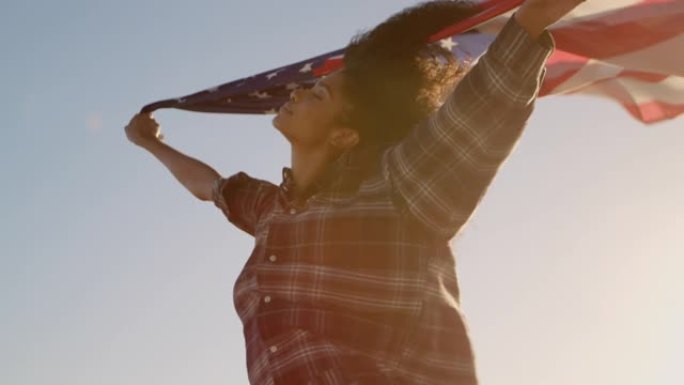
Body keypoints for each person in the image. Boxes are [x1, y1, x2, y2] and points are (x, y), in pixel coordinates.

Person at [125, 0, 585, 384]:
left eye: (318, 95)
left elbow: (484, 104)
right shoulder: (272, 210)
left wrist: (529, 21)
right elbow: (210, 187)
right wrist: (151, 144)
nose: (300, 94)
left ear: (346, 135)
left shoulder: (400, 188)